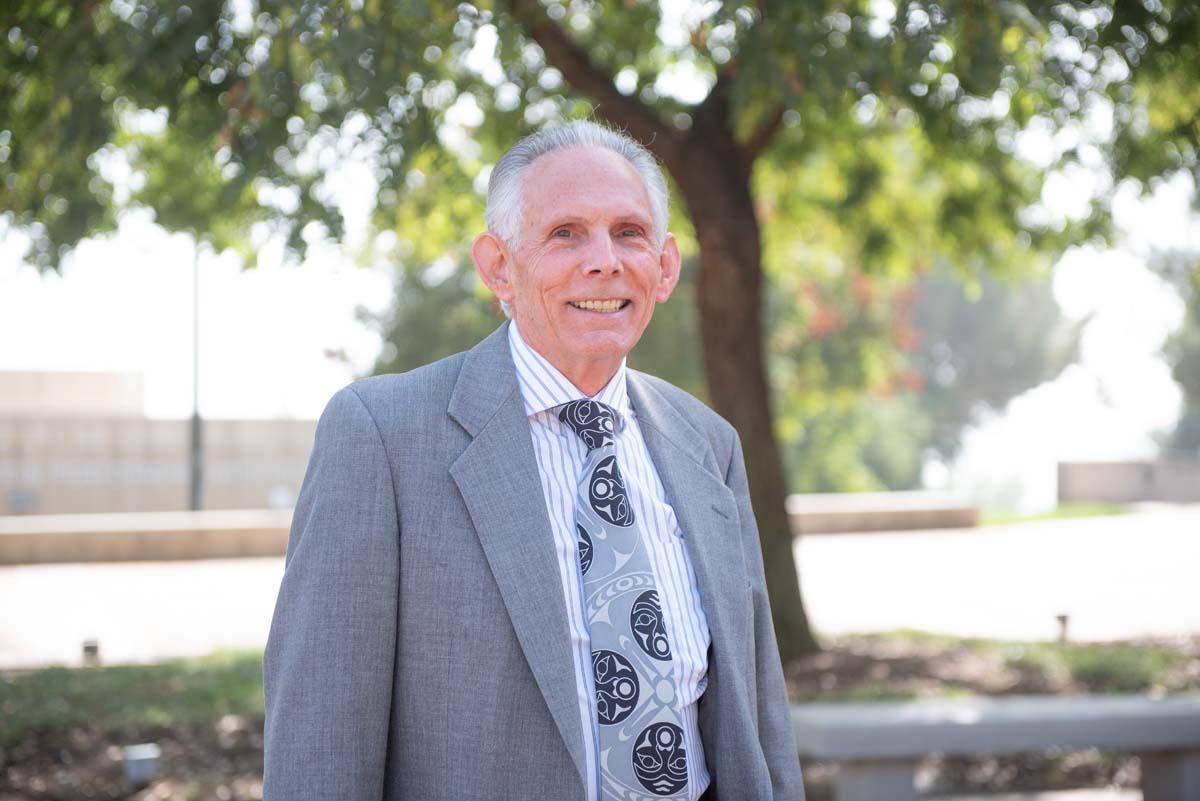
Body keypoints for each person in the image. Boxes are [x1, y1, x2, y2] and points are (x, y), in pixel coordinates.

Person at [263, 119, 805, 801]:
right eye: (565, 234)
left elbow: (760, 723)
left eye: (628, 233)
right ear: (497, 267)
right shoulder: (380, 437)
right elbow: (320, 751)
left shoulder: (709, 444)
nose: (604, 260)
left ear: (664, 267)